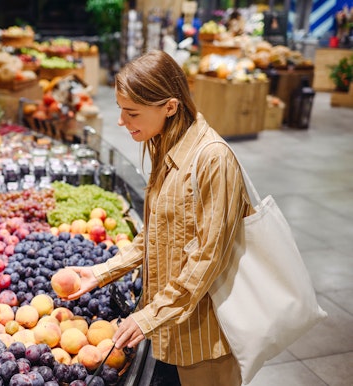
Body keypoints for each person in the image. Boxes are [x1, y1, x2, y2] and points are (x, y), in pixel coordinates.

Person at [63, 50, 252, 386]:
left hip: (203, 342)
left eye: (131, 112)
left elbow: (207, 258)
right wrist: (100, 272)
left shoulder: (213, 160)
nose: (121, 121)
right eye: (121, 109)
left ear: (170, 106)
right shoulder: (165, 145)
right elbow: (156, 232)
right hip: (166, 331)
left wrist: (148, 316)